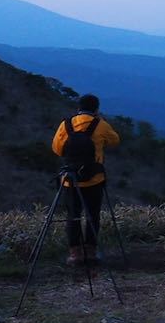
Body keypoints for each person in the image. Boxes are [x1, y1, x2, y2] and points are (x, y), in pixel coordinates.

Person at [51, 94, 120, 265]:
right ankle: (91, 251)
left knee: (73, 215)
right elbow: (115, 142)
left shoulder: (65, 125)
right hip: (94, 179)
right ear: (96, 109)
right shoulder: (101, 125)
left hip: (70, 180)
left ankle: (75, 253)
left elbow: (58, 150)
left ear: (78, 108)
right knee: (93, 215)